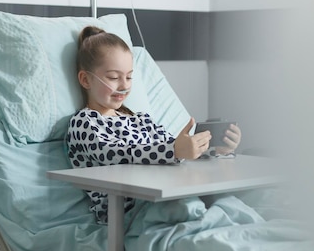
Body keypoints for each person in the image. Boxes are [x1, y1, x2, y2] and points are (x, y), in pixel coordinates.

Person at [67, 26, 241, 223]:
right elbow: (116, 154)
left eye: (129, 77)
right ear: (85, 79)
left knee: (228, 203)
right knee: (190, 209)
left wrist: (213, 148)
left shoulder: (141, 120)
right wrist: (174, 150)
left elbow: (173, 149)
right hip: (128, 213)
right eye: (114, 77)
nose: (124, 85)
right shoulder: (85, 123)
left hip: (165, 194)